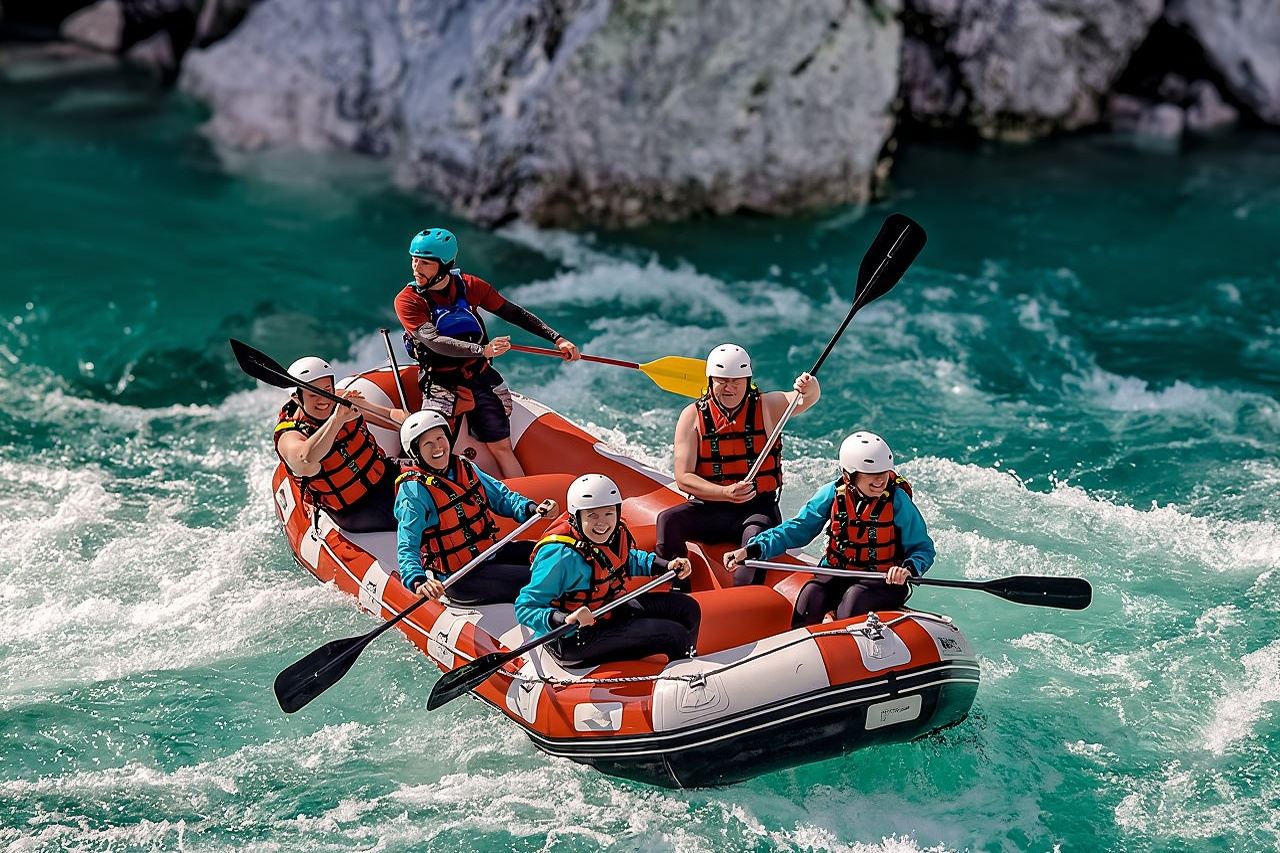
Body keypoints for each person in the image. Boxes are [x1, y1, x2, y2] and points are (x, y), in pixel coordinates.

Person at [394, 227, 580, 479]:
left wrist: (557, 339)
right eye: (414, 259)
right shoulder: (408, 300)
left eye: (425, 262)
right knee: (430, 446)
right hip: (440, 382)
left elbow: (513, 313)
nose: (416, 268)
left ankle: (525, 506)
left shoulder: (470, 286)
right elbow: (434, 341)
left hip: (480, 377)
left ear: (444, 265)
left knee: (502, 447)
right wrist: (483, 350)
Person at [723, 431, 935, 626]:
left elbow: (923, 548)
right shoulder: (832, 494)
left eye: (883, 473)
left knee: (854, 599)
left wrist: (907, 569)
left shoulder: (897, 501)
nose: (880, 480)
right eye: (871, 473)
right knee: (811, 594)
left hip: (880, 580)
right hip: (836, 572)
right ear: (848, 475)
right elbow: (796, 529)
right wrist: (751, 549)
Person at [655, 343, 820, 587]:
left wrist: (810, 388)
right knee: (668, 521)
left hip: (756, 510)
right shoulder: (692, 416)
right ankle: (677, 589)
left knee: (754, 541)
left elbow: (804, 399)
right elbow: (684, 477)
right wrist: (724, 493)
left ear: (748, 380)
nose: (730, 388)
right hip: (711, 509)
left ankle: (742, 599)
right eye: (722, 381)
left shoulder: (768, 406)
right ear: (710, 381)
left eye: (737, 381)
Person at [515, 474, 700, 667]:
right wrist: (564, 618)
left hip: (607, 610)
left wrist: (666, 565)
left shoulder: (615, 534)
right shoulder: (559, 556)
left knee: (688, 609)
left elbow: (626, 559)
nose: (602, 523)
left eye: (608, 514)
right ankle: (688, 679)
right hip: (573, 638)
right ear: (576, 518)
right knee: (673, 634)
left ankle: (688, 660)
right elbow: (525, 607)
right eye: (592, 515)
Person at [394, 410, 555, 605]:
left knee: (556, 555)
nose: (438, 447)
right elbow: (407, 544)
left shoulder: (464, 467)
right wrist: (417, 580)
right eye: (428, 444)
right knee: (545, 578)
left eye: (440, 438)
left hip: (491, 553)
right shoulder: (413, 493)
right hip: (462, 577)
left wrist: (529, 508)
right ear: (416, 452)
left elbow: (502, 496)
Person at [274, 356, 406, 533]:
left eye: (327, 389)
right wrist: (337, 420)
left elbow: (389, 415)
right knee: (424, 516)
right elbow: (306, 459)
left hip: (386, 477)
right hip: (355, 508)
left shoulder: (341, 399)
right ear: (297, 398)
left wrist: (419, 426)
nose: (323, 399)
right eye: (313, 394)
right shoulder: (289, 435)